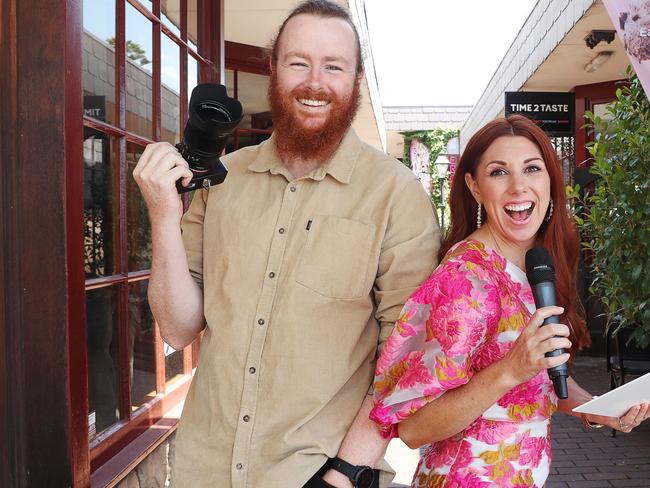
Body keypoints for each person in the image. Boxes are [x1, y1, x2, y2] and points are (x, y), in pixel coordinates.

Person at [133, 1, 440, 487]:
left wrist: (343, 473)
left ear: (356, 80)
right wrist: (163, 218)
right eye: (298, 62)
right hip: (203, 469)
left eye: (333, 66)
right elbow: (178, 327)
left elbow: (406, 355)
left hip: (319, 473)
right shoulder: (224, 179)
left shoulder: (396, 196)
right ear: (273, 70)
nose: (314, 82)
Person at [369, 115, 650, 487]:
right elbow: (414, 429)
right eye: (499, 172)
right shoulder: (465, 281)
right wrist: (508, 370)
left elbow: (540, 383)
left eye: (532, 169)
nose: (519, 187)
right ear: (475, 187)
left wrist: (595, 408)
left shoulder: (538, 260)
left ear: (550, 180)